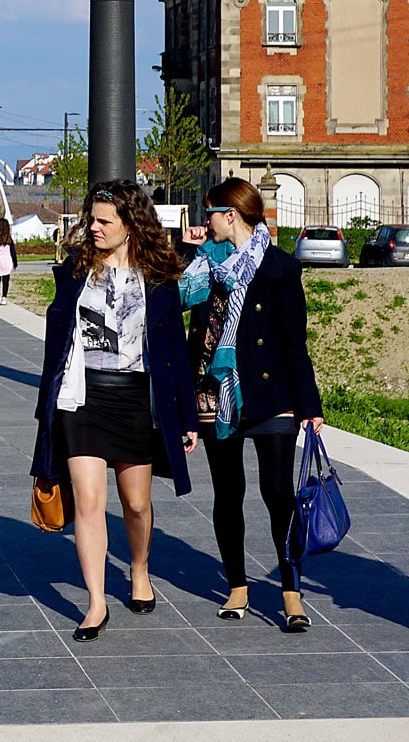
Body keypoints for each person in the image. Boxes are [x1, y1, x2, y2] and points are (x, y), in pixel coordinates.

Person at [31, 179, 197, 641]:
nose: (94, 227)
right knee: (88, 502)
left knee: (136, 504)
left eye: (104, 220)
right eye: (92, 219)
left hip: (135, 399)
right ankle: (96, 603)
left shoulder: (158, 278)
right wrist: (46, 406)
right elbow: (56, 341)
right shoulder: (75, 270)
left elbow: (175, 351)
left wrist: (185, 417)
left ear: (131, 223)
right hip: (82, 398)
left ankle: (139, 567)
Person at [180, 177, 324, 632]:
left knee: (278, 494)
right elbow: (175, 304)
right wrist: (188, 252)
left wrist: (310, 405)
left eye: (211, 213)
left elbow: (294, 341)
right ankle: (238, 586)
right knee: (228, 494)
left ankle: (291, 591)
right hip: (214, 393)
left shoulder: (281, 268)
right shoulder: (203, 264)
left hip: (271, 396)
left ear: (231, 215)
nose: (205, 222)